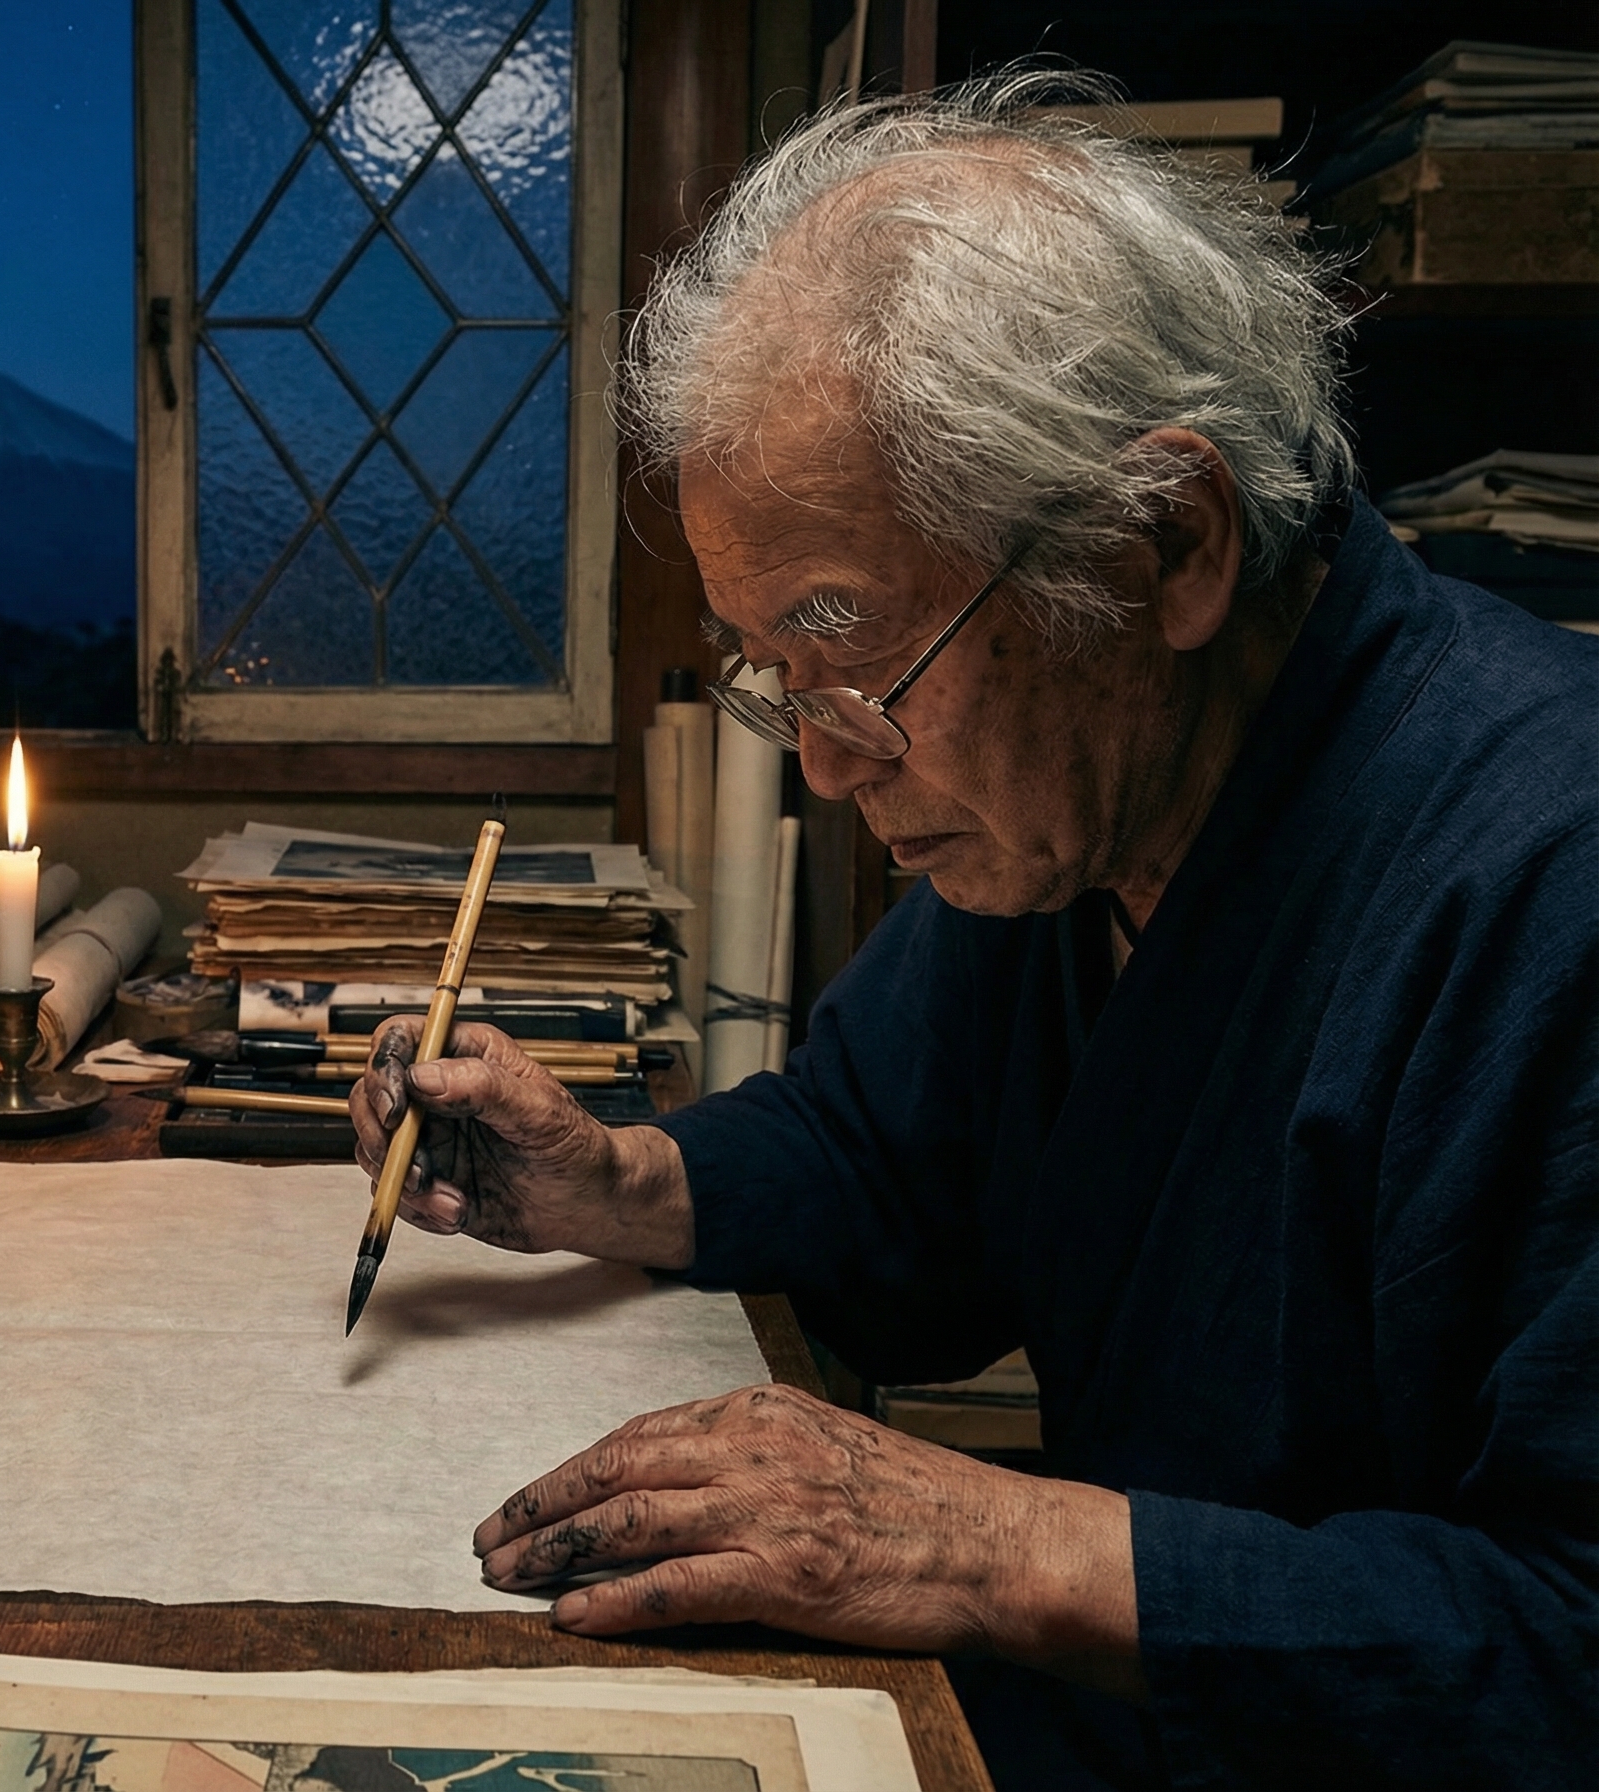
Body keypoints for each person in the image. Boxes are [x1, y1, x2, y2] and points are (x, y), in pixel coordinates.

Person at [349, 71, 1598, 1792]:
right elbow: (886, 1158)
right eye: (771, 674)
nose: (831, 761)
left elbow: (1569, 1641)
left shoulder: (1553, 872)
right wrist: (611, 1185)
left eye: (857, 658)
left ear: (1168, 543)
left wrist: (978, 1544)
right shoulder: (1081, 816)